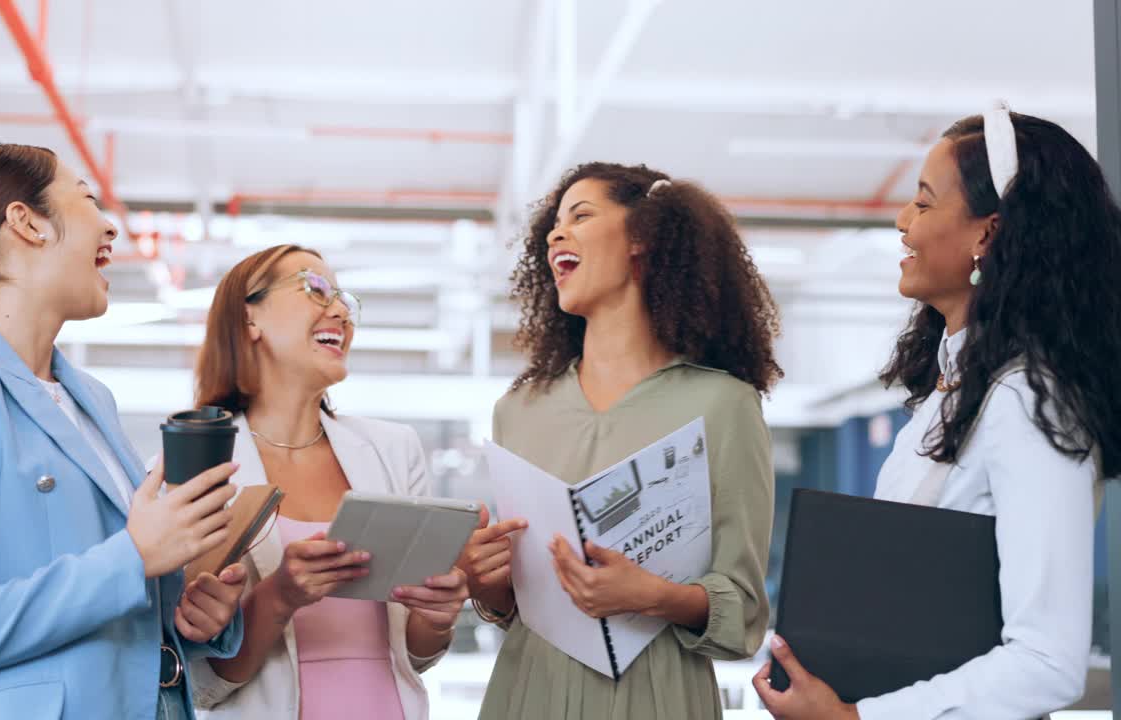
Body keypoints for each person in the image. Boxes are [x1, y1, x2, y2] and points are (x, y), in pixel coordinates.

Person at [753, 106, 1121, 719]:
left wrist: (855, 718)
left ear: (987, 234)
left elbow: (1048, 662)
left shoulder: (1028, 399)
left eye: (923, 204)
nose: (903, 223)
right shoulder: (947, 395)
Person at [0, 144, 246, 720]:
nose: (110, 226)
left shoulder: (90, 397)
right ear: (25, 222)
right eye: (87, 199)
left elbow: (117, 601)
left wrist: (191, 615)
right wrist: (132, 558)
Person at [459, 162, 782, 719]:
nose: (557, 234)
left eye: (581, 216)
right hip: (530, 688)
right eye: (554, 225)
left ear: (643, 238)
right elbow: (523, 603)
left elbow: (744, 615)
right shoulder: (517, 411)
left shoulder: (723, 405)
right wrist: (486, 586)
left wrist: (653, 596)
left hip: (657, 694)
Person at [186, 245, 469, 720]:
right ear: (248, 320)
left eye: (343, 299)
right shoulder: (198, 466)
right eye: (315, 288)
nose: (339, 310)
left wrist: (438, 616)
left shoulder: (394, 449)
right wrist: (280, 596)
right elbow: (203, 683)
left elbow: (415, 656)